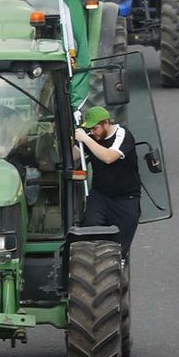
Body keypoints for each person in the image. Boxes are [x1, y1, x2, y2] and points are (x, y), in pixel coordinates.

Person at [76, 101, 142, 258]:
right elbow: (73, 155)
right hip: (101, 196)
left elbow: (108, 157)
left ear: (106, 123)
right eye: (89, 129)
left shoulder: (122, 135)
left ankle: (119, 270)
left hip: (126, 199)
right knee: (89, 232)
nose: (93, 132)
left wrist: (86, 139)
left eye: (95, 128)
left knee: (119, 249)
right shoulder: (92, 138)